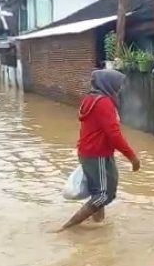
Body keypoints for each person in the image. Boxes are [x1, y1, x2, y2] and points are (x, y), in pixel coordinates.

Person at [56, 69, 140, 232]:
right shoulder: (104, 103)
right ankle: (68, 228)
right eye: (118, 85)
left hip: (90, 152)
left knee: (99, 191)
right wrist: (132, 157)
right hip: (97, 154)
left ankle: (98, 224)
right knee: (104, 194)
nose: (120, 89)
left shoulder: (90, 99)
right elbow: (114, 134)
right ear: (108, 84)